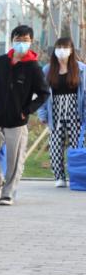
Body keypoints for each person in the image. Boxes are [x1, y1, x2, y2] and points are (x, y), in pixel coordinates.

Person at [0, 25, 50, 204]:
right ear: (12, 40)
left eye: (25, 40)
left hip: (17, 122)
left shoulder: (33, 67)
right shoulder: (2, 61)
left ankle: (8, 193)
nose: (21, 43)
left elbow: (44, 93)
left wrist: (27, 111)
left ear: (31, 41)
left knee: (14, 161)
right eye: (18, 40)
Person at [38, 38, 85, 188]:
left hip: (75, 110)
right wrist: (43, 115)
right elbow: (42, 94)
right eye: (59, 47)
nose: (62, 51)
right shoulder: (47, 69)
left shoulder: (81, 69)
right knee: (55, 145)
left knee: (77, 145)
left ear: (71, 50)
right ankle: (59, 177)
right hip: (55, 111)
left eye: (65, 47)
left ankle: (76, 175)